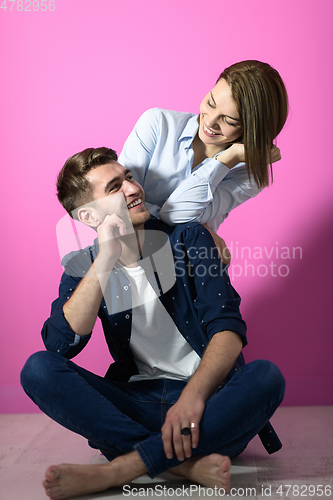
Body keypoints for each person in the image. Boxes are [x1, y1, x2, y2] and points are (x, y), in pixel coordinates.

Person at [20, 147, 285, 500]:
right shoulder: (81, 267)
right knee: (37, 369)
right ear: (88, 214)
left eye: (128, 177)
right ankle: (181, 464)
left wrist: (193, 397)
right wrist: (107, 256)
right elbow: (59, 345)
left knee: (266, 377)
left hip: (205, 407)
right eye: (114, 187)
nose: (132, 189)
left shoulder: (188, 239)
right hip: (138, 403)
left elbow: (228, 331)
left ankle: (123, 468)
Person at [119, 60, 288, 232]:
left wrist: (227, 159)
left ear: (252, 130)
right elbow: (118, 202)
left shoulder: (249, 174)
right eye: (211, 103)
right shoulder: (158, 124)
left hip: (185, 258)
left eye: (229, 120)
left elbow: (175, 215)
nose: (210, 121)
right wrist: (196, 229)